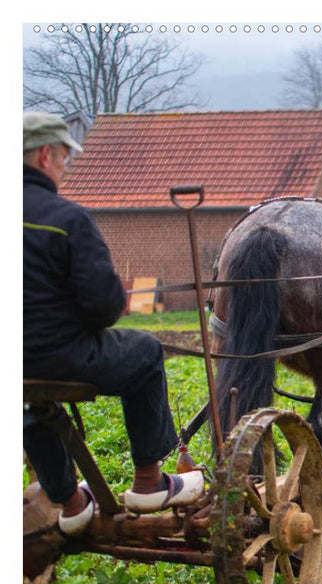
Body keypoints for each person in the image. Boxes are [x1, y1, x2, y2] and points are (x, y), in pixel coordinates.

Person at [23, 111, 204, 536]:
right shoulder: (65, 218)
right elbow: (104, 305)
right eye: (66, 156)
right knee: (145, 352)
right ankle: (148, 482)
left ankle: (70, 503)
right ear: (45, 154)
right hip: (64, 355)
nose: (67, 166)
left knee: (28, 399)